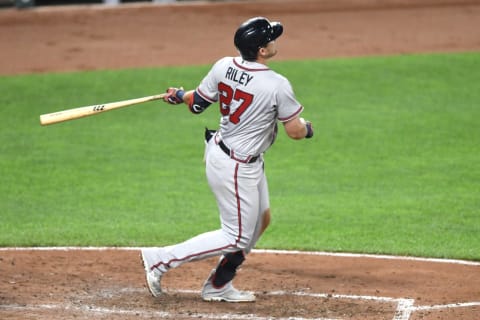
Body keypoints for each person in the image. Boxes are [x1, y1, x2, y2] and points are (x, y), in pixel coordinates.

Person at [140, 16, 314, 303]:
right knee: (235, 237)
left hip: (229, 155)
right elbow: (294, 132)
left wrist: (181, 95)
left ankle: (219, 285)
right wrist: (309, 129)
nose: (275, 41)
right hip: (236, 166)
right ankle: (159, 259)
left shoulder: (224, 65)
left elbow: (197, 104)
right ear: (261, 50)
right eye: (271, 37)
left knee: (260, 220)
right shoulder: (276, 84)